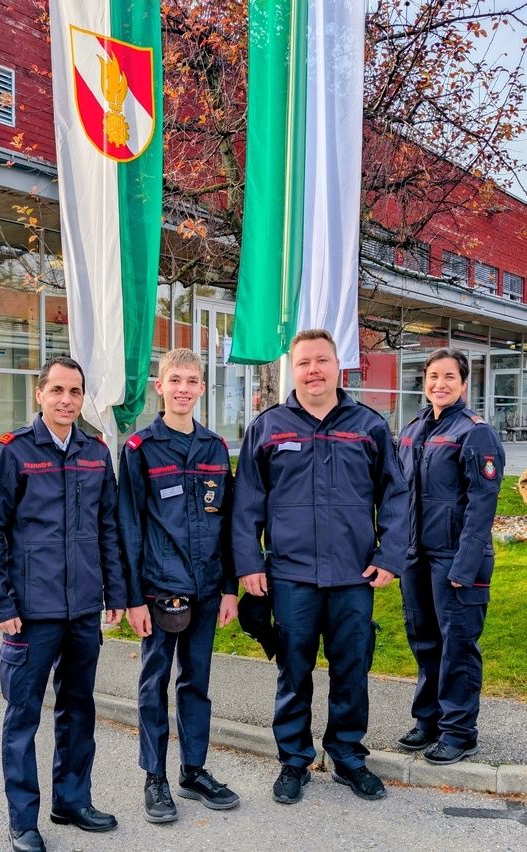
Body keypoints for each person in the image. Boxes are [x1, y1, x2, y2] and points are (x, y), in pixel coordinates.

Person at [232, 329, 409, 804]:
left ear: (338, 366)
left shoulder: (368, 426)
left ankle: (348, 756)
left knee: (352, 668)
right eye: (304, 362)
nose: (313, 370)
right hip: (290, 576)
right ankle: (294, 760)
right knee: (293, 670)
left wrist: (390, 556)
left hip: (354, 575)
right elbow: (246, 501)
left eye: (322, 361)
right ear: (294, 370)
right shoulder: (268, 427)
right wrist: (249, 563)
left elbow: (395, 496)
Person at [0, 356, 126, 852]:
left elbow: (107, 528)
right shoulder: (13, 452)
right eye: (57, 390)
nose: (66, 400)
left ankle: (71, 800)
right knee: (23, 716)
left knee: (78, 709)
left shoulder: (94, 452)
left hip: (82, 609)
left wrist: (115, 593)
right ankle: (24, 821)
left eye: (75, 391)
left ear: (83, 398)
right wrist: (0, 604)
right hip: (30, 613)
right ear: (39, 394)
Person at [118, 348, 240, 824]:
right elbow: (126, 526)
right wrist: (130, 598)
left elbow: (229, 523)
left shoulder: (214, 447)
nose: (183, 388)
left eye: (192, 380)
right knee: (154, 686)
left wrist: (230, 588)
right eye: (175, 380)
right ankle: (155, 778)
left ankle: (194, 770)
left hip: (208, 589)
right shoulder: (140, 449)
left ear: (202, 388)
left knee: (197, 684)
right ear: (160, 386)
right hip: (158, 590)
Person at [396, 348, 505, 765]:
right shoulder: (413, 428)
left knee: (456, 644)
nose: (439, 384)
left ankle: (460, 732)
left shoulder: (474, 432)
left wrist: (465, 563)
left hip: (457, 558)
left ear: (464, 383)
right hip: (416, 556)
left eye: (448, 377)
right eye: (432, 376)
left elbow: (482, 504)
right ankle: (429, 720)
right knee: (424, 639)